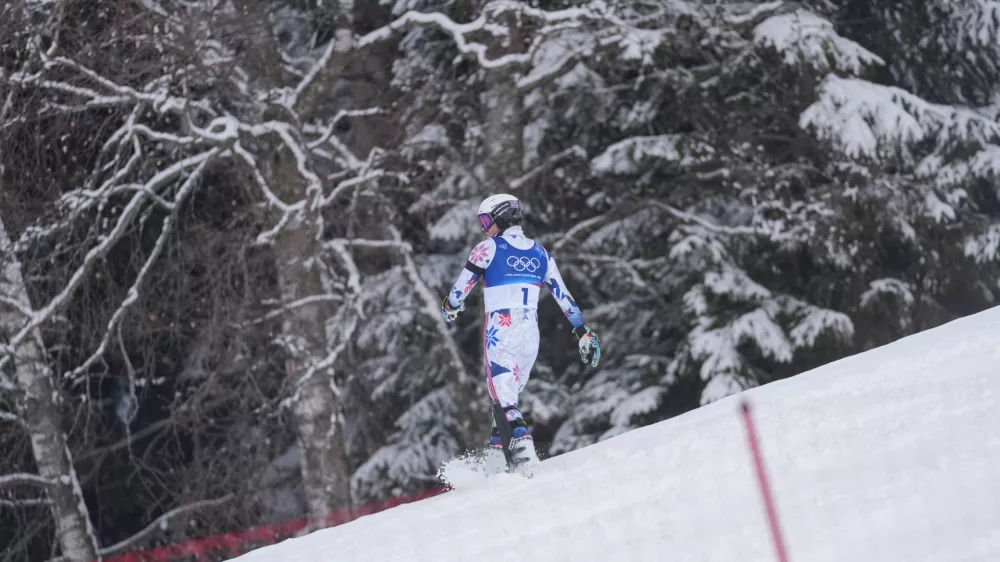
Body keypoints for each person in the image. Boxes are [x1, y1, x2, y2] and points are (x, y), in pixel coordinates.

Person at [441, 193, 601, 474]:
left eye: (485, 221)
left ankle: (526, 458)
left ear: (498, 218)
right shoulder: (541, 253)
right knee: (504, 402)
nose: (484, 228)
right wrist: (583, 331)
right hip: (530, 335)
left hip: (500, 331)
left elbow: (459, 291)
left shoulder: (487, 249)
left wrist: (450, 307)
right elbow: (564, 296)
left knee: (506, 403)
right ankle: (495, 466)